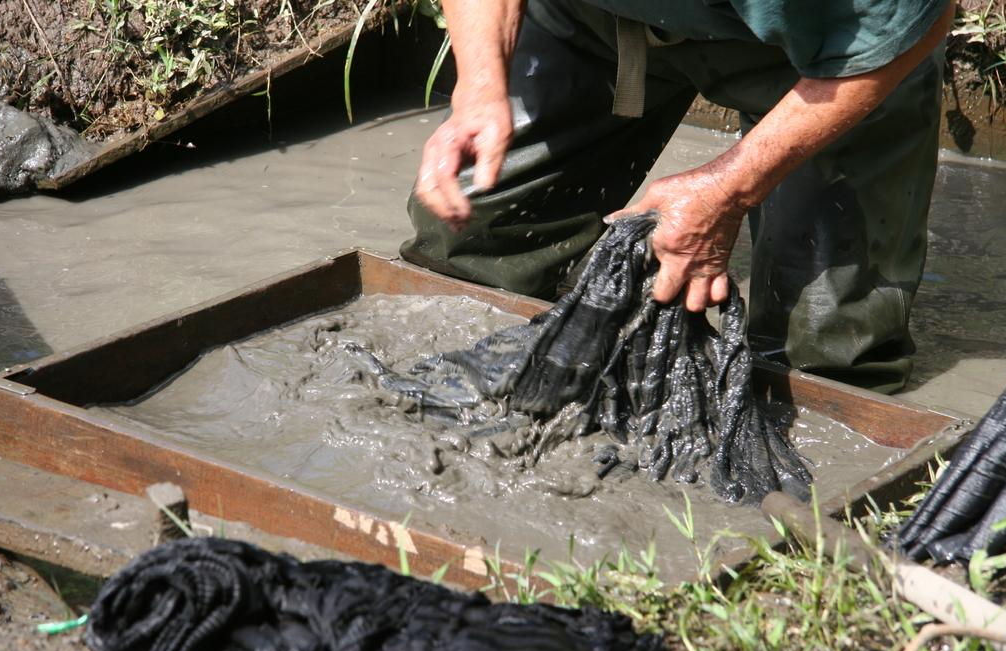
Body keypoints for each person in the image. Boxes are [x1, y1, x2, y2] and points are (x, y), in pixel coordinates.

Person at [400, 0, 956, 394]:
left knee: (822, 356)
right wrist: (478, 87)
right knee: (469, 239)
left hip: (833, 50)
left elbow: (918, 20)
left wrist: (729, 189)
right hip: (590, 18)